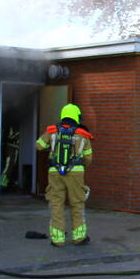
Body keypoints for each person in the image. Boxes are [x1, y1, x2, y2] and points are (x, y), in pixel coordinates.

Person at [35, 103, 94, 246]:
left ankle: (57, 239)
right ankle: (79, 238)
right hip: (76, 174)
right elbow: (88, 158)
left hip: (55, 173)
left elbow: (39, 145)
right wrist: (79, 167)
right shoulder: (82, 135)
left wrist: (51, 145)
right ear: (76, 116)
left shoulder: (52, 131)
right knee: (77, 204)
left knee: (56, 204)